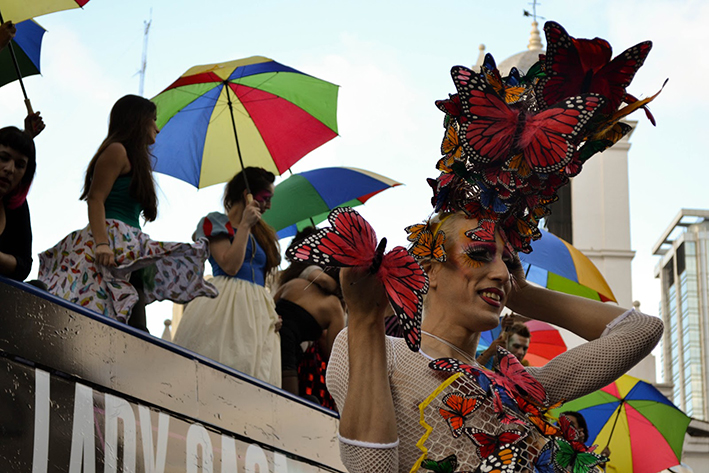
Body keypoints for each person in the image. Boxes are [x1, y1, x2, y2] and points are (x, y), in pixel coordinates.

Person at [324, 23, 663, 472]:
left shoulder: (518, 386)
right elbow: (371, 469)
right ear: (428, 267)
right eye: (480, 254)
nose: (501, 271)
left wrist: (520, 292)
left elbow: (640, 331)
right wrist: (366, 321)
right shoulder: (372, 348)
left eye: (507, 260)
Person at [39, 95, 216, 331]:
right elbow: (95, 198)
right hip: (109, 243)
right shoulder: (117, 151)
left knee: (132, 319)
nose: (158, 128)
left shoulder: (137, 160)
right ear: (138, 120)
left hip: (128, 247)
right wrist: (102, 244)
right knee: (114, 317)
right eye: (153, 120)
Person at [173, 167, 283, 386]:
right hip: (225, 305)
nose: (269, 205)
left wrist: (271, 312)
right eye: (265, 198)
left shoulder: (262, 233)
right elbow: (230, 265)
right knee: (224, 366)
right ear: (247, 195)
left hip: (258, 313)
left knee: (257, 377)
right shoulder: (215, 222)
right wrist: (244, 225)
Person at [274, 228, 346, 395]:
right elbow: (334, 355)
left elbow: (271, 306)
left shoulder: (293, 283)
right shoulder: (334, 305)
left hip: (268, 339)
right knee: (290, 400)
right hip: (289, 353)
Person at [0, 126, 36, 281]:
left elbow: (24, 265)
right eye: (3, 158)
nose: (10, 169)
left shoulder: (18, 207)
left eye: (20, 165)